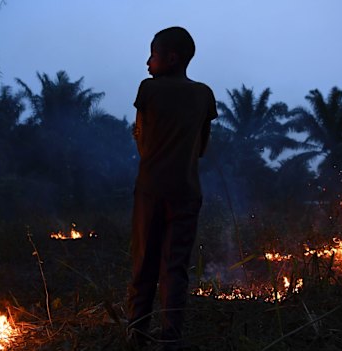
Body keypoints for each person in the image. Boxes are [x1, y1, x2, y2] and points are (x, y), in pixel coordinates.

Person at [127, 26, 218, 349]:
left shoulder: (148, 89)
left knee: (143, 263)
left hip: (150, 188)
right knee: (175, 266)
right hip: (187, 191)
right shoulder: (204, 94)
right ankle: (171, 336)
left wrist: (149, 146)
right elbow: (202, 147)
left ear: (171, 58)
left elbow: (141, 138)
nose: (147, 62)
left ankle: (137, 332)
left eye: (152, 55)